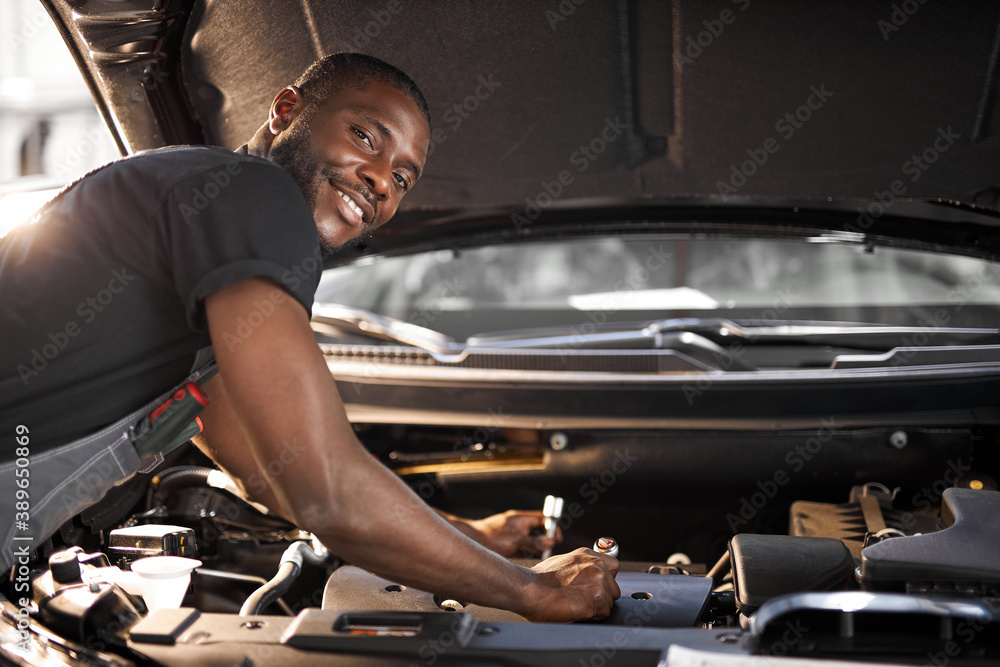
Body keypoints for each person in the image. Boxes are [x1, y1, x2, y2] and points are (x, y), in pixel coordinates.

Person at [0, 53, 619, 622]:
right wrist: (531, 592)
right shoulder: (254, 192)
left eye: (403, 178)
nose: (381, 180)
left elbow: (265, 468)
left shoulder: (219, 231)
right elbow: (322, 486)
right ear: (286, 111)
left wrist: (472, 535)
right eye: (366, 137)